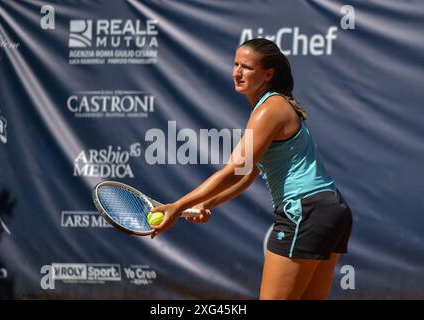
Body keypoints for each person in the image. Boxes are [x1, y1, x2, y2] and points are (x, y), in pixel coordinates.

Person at [150, 38, 353, 300]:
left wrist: (176, 207)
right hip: (331, 210)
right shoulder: (275, 105)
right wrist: (207, 202)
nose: (237, 72)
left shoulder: (269, 110)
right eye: (235, 64)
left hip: (305, 211)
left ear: (268, 74)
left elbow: (235, 169)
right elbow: (248, 175)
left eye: (246, 67)